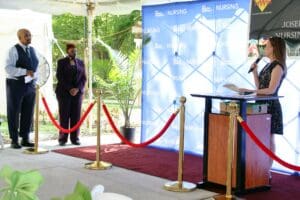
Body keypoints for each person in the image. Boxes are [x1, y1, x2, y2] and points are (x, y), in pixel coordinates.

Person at [239, 36, 287, 176]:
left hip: (271, 105)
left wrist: (251, 91)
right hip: (260, 103)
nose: (264, 48)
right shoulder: (268, 64)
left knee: (269, 137)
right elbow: (260, 87)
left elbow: (271, 90)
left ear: (274, 48)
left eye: (267, 46)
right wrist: (254, 72)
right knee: (259, 138)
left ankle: (267, 170)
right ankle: (258, 167)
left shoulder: (278, 66)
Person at [5, 28, 39, 149]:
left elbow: (36, 67)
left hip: (30, 85)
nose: (29, 37)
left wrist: (36, 80)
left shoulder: (33, 50)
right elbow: (8, 68)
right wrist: (25, 71)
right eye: (26, 36)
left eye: (30, 35)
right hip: (15, 85)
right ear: (19, 37)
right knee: (14, 112)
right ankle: (14, 140)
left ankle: (25, 138)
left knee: (28, 112)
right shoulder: (13, 50)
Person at [55, 43, 86, 146]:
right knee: (64, 116)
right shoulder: (61, 62)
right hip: (64, 92)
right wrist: (70, 89)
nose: (74, 52)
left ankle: (75, 138)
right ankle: (63, 138)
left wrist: (77, 89)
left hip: (77, 94)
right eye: (72, 50)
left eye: (75, 50)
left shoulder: (81, 62)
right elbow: (60, 77)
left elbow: (84, 78)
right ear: (67, 51)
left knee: (76, 116)